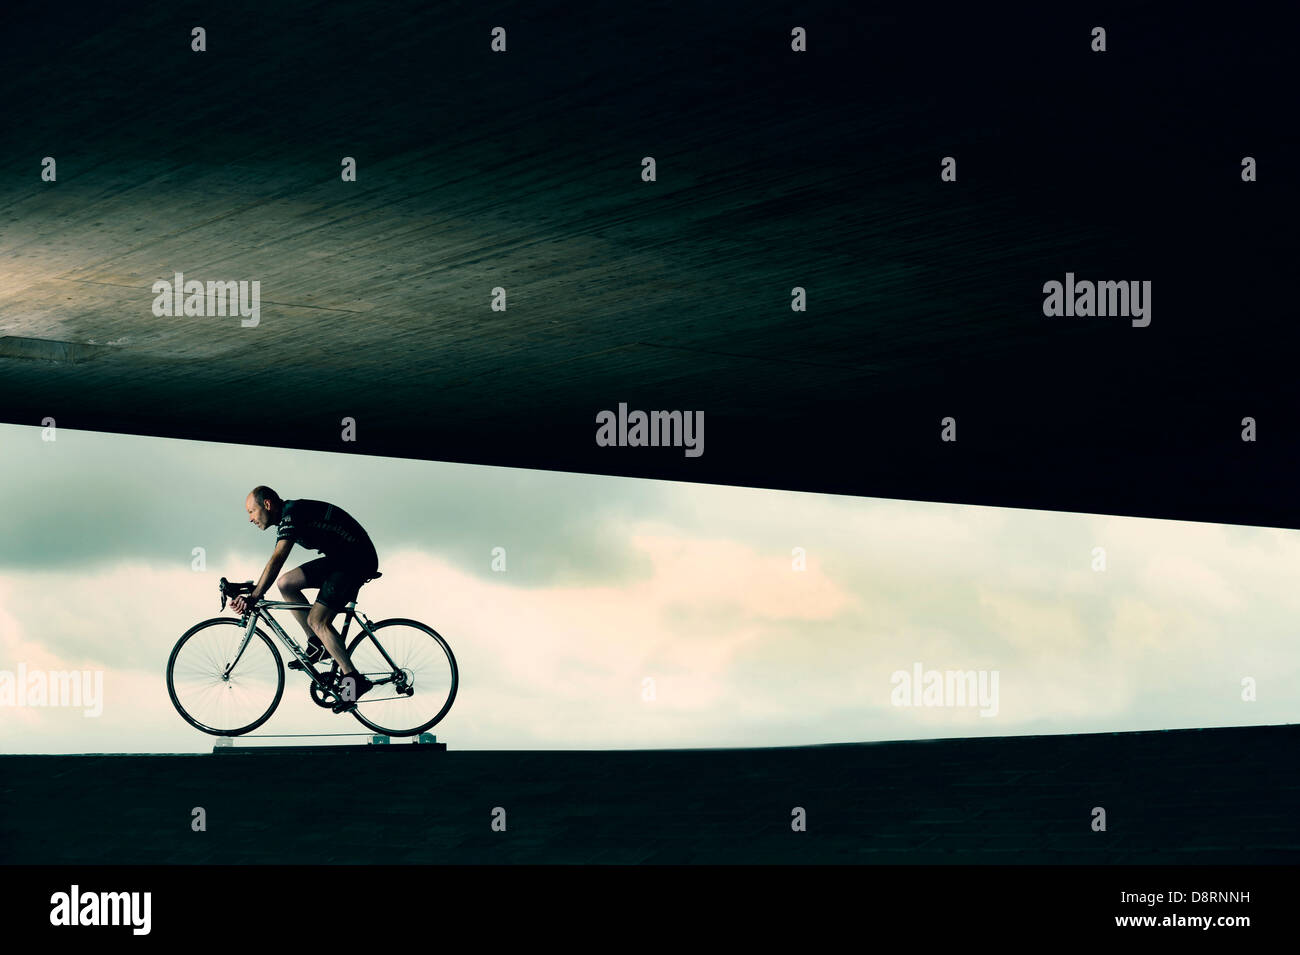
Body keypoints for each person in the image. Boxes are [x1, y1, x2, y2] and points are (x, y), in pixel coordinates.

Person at [230, 485, 380, 708]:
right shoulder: (286, 518)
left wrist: (254, 596)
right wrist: (249, 590)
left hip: (355, 560)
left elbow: (277, 559)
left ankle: (353, 680)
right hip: (340, 558)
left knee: (317, 620)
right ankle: (317, 644)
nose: (250, 519)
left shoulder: (291, 514)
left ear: (267, 504)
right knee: (286, 584)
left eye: (251, 511)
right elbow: (276, 568)